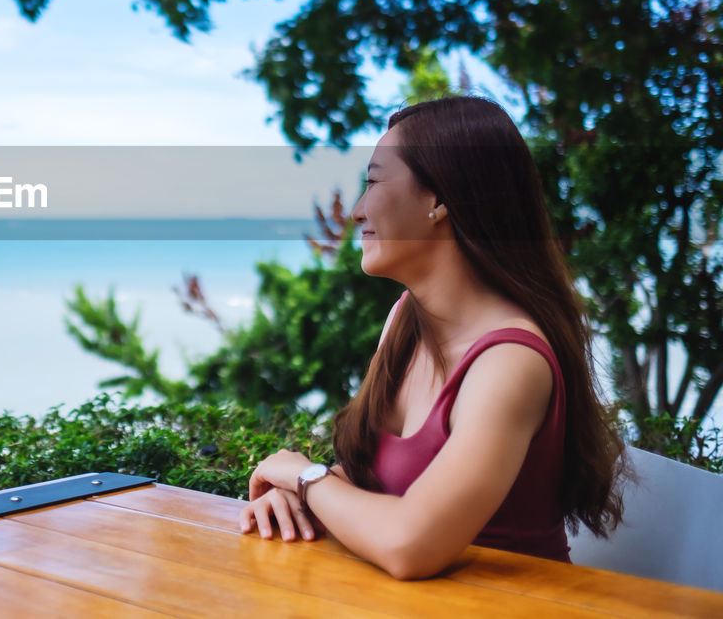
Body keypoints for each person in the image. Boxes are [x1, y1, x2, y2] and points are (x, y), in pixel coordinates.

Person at [239, 95, 625, 579]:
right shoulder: (406, 320)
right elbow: (375, 483)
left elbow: (410, 546)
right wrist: (295, 497)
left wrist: (306, 476)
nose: (357, 210)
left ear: (440, 199)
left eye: (374, 181)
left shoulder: (510, 361)